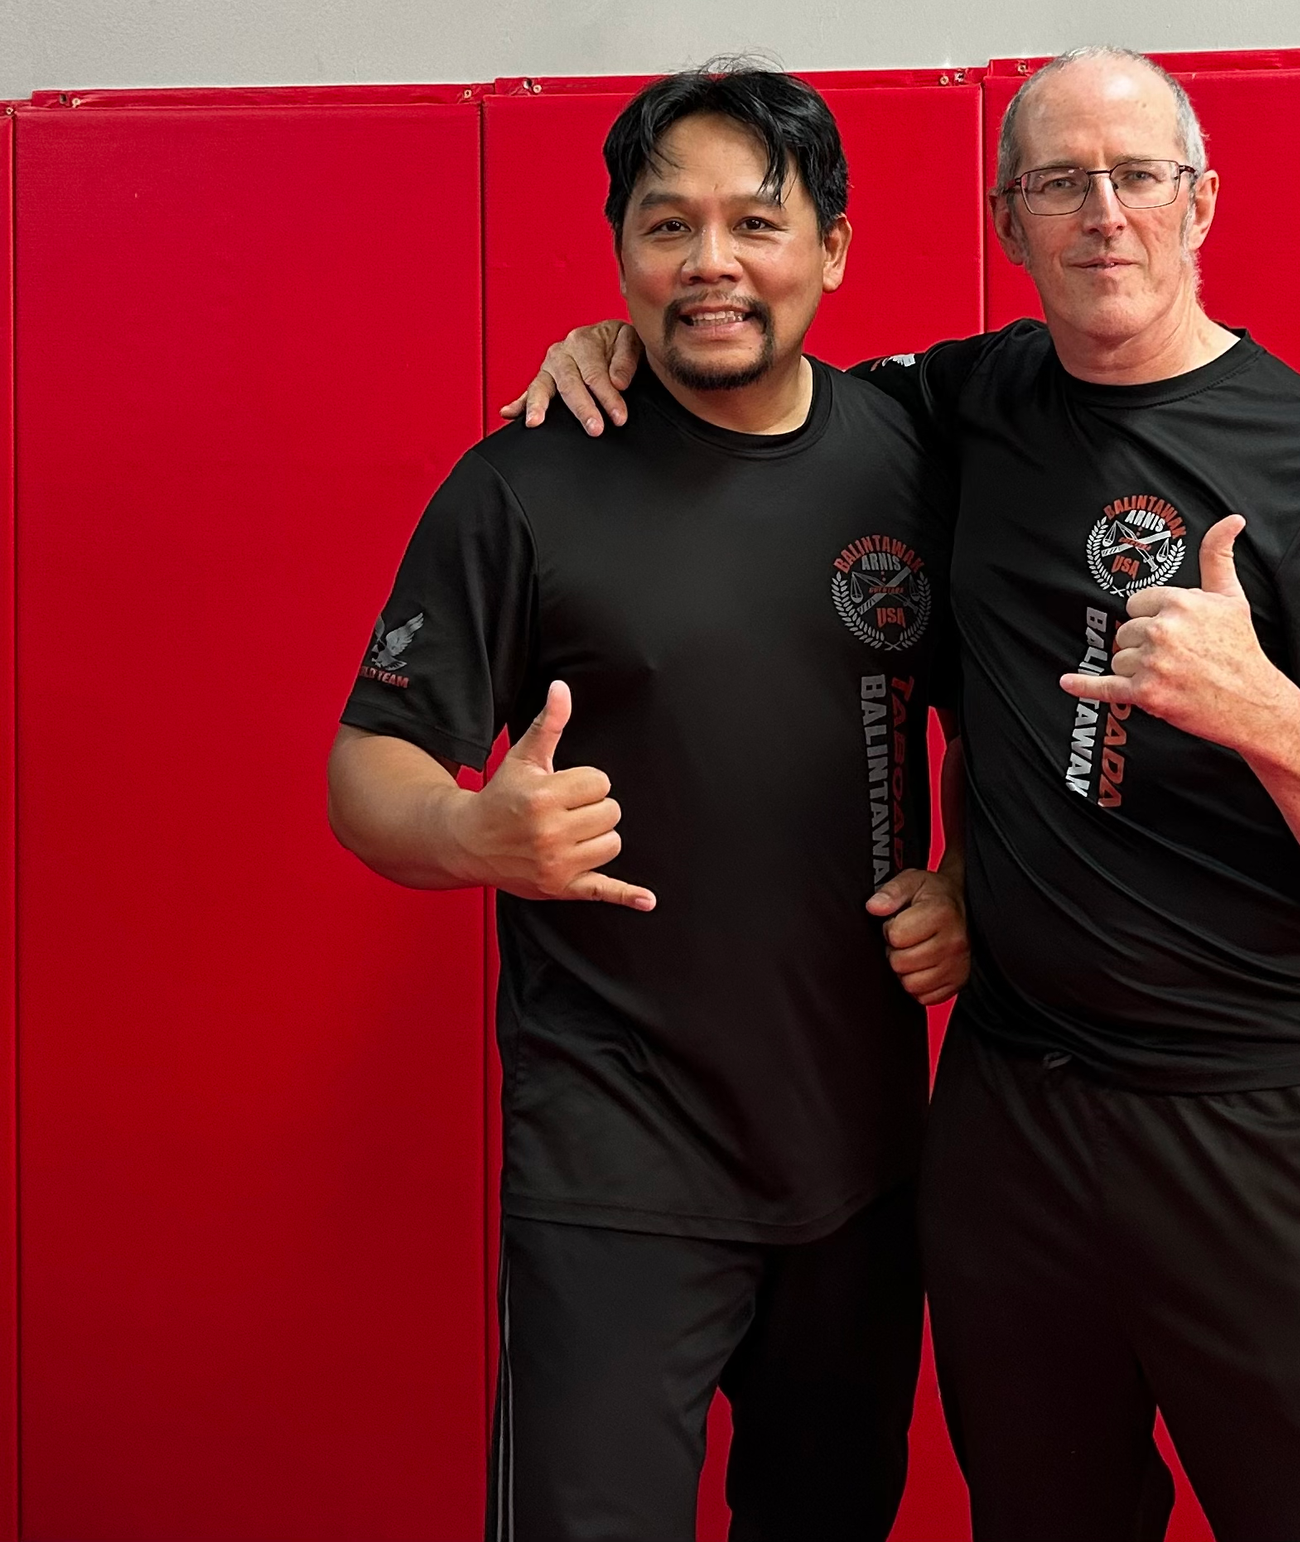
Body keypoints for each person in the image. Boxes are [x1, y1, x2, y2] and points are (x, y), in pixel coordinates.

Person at [512, 46, 1300, 1542]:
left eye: (1137, 176)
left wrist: (1265, 712)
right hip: (1016, 1124)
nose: (1103, 215)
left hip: (1267, 1120)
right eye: (1057, 184)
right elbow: (762, 379)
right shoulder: (961, 409)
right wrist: (617, 340)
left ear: (1200, 201)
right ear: (1006, 219)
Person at [328, 65, 967, 1542]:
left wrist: (972, 883)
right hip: (614, 1169)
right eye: (668, 225)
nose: (712, 263)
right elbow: (369, 768)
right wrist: (470, 830)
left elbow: (1005, 714)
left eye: (757, 221)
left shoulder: (913, 460)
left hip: (859, 1157)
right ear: (620, 248)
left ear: (835, 246)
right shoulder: (527, 485)